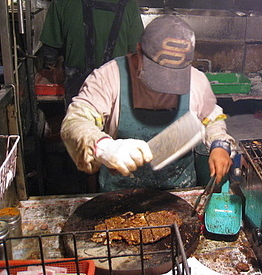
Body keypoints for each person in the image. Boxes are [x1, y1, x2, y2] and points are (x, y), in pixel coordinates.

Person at [60, 15, 234, 192]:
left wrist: (219, 144)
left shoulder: (197, 80)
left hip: (178, 191)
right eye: (159, 73)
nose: (165, 82)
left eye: (173, 75)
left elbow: (212, 118)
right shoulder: (108, 77)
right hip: (118, 193)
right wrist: (103, 147)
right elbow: (75, 121)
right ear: (139, 51)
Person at [40, 0, 144, 106]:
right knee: (111, 130)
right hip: (117, 85)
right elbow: (138, 50)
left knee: (79, 128)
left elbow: (50, 52)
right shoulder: (128, 3)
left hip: (78, 87)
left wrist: (53, 68)